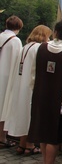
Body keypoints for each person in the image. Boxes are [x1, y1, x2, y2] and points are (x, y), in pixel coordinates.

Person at [27, 17, 62, 164]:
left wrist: (35, 91)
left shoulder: (41, 48)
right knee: (54, 136)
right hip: (58, 99)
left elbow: (33, 74)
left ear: (55, 31)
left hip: (40, 95)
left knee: (43, 133)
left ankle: (46, 161)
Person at [4, 25, 52, 155]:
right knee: (30, 114)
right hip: (31, 85)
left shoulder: (26, 47)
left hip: (20, 84)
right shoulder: (39, 48)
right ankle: (30, 145)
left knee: (22, 113)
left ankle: (22, 144)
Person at [0, 15, 23, 148]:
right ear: (19, 27)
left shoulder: (1, 36)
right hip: (7, 77)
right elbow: (18, 62)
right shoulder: (15, 41)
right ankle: (2, 138)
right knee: (4, 107)